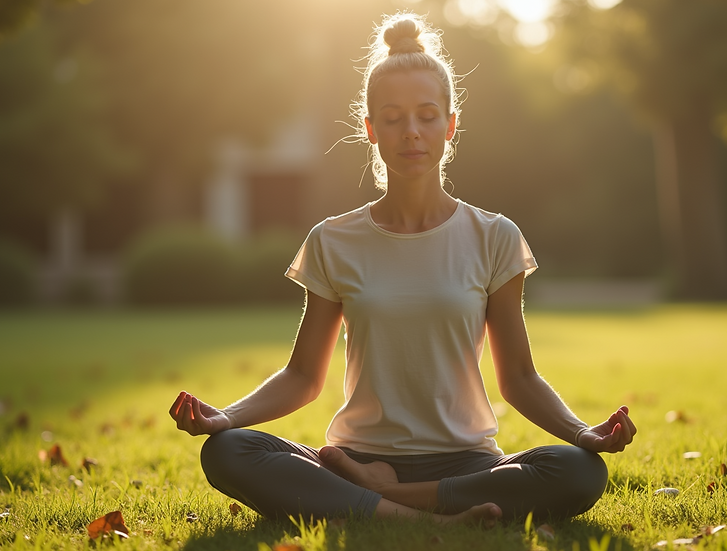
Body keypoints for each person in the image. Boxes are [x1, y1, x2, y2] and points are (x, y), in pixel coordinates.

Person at [169, 12, 636, 526]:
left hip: (465, 461)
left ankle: (380, 502)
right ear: (370, 130)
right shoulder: (333, 239)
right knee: (226, 450)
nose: (411, 132)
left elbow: (519, 377)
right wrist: (226, 417)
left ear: (450, 124)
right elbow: (303, 375)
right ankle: (423, 514)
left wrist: (581, 433)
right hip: (357, 454)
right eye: (392, 118)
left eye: (426, 115)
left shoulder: (494, 236)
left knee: (579, 470)